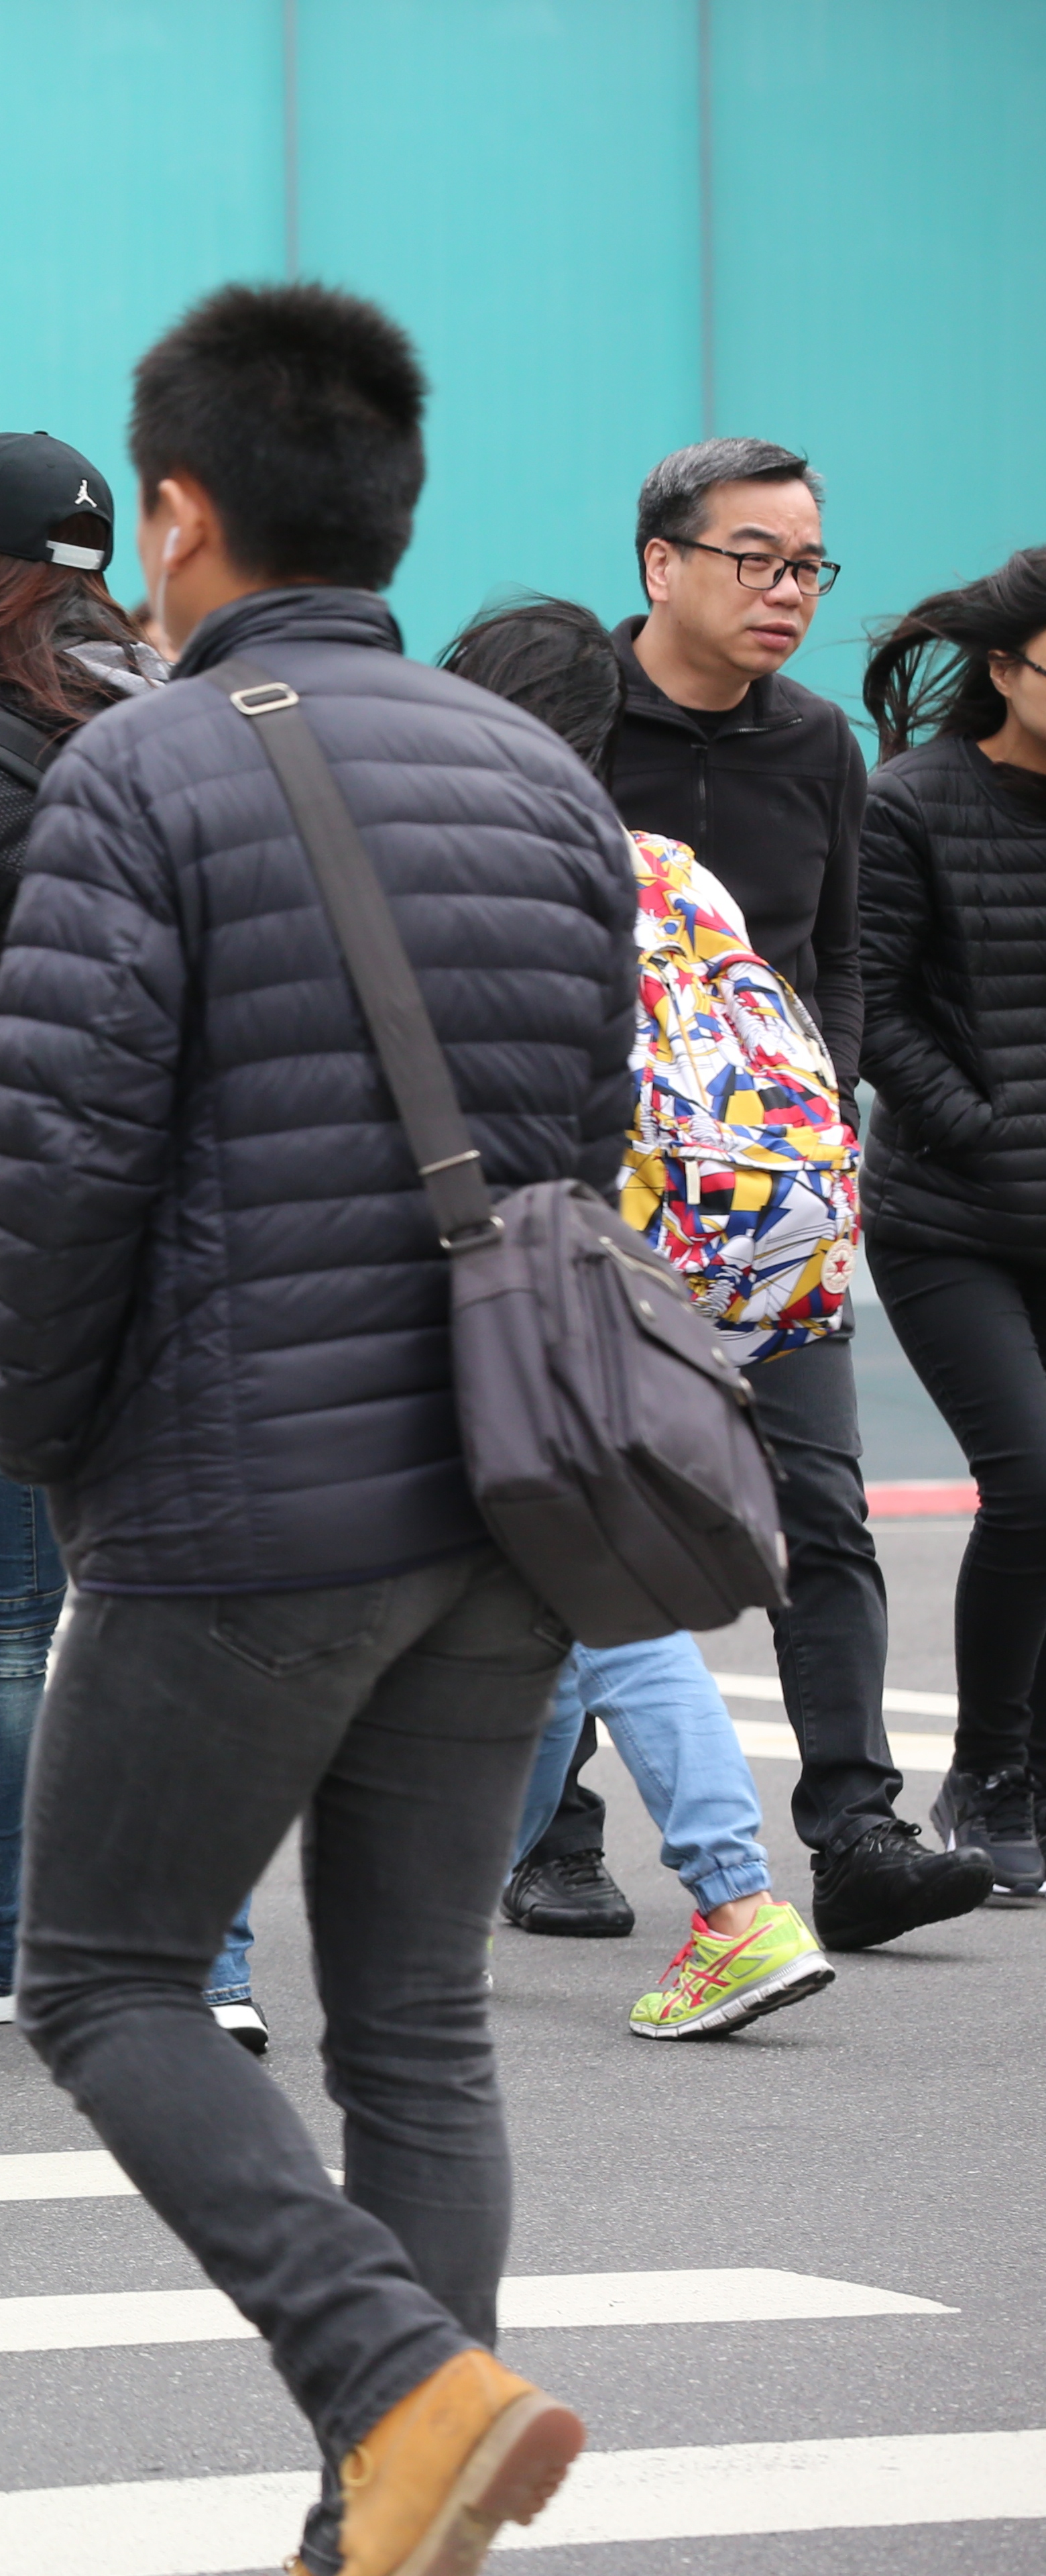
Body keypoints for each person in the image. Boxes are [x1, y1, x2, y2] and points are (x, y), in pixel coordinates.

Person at [0, 283, 632, 2576]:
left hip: (243, 1501)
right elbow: (591, 1133)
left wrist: (51, 1447)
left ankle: (400, 2389)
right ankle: (396, 2517)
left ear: (174, 514)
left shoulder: (140, 769)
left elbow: (59, 1177)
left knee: (106, 1975)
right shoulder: (539, 771)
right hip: (517, 1496)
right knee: (421, 2026)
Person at [512, 439, 993, 1955]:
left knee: (816, 1502)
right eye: (752, 559)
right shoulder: (562, 716)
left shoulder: (811, 745)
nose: (782, 592)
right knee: (568, 1500)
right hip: (589, 1186)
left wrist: (815, 1108)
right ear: (657, 563)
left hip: (761, 1194)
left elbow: (837, 952)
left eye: (803, 566)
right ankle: (552, 1834)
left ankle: (851, 1826)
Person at [0, 428, 268, 2043]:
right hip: (200, 1229)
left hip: (4, 1233)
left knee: (2, 1611)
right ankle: (207, 1967)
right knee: (169, 1601)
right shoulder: (192, 723)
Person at [439, 594, 840, 2037]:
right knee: (550, 1580)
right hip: (663, 1260)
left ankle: (736, 1901)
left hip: (512, 1256)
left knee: (589, 1587)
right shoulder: (670, 864)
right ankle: (458, 1903)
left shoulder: (463, 864)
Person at [858, 546, 1046, 1898]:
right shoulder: (912, 801)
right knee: (1035, 1481)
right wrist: (974, 1122)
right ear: (1002, 668)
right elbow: (868, 998)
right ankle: (986, 1775)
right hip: (951, 1218)